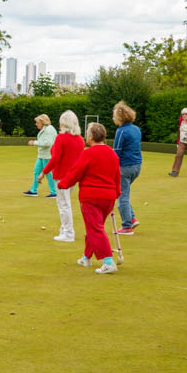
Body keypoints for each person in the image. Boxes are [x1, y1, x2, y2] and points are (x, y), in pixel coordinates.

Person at [58, 123, 122, 274]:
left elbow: (76, 172)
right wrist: (116, 193)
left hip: (91, 197)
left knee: (95, 229)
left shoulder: (88, 153)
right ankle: (86, 257)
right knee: (94, 227)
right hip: (108, 197)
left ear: (91, 137)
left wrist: (62, 184)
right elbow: (117, 176)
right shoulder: (112, 154)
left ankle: (108, 261)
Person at [38, 110, 84, 241]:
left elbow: (55, 159)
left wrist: (43, 173)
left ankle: (68, 233)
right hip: (74, 176)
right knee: (65, 203)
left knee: (64, 204)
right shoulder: (80, 140)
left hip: (63, 176)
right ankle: (64, 229)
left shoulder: (61, 138)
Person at [112, 101, 143, 235]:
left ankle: (126, 226)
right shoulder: (136, 129)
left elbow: (116, 152)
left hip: (125, 167)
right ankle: (132, 218)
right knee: (124, 193)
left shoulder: (121, 131)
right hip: (137, 166)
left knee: (122, 195)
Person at [23, 114, 57, 198]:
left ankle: (54, 192)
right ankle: (33, 190)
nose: (36, 124)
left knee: (49, 173)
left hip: (47, 155)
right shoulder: (45, 129)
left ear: (42, 122)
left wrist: (34, 142)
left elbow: (47, 143)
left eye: (37, 122)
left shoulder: (48, 130)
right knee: (36, 171)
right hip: (42, 155)